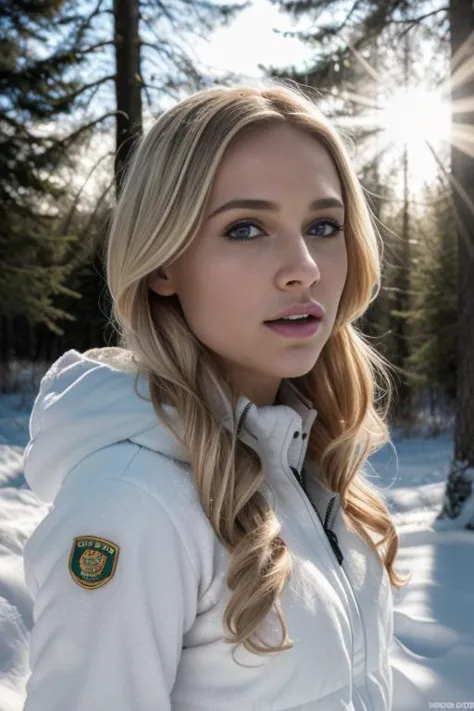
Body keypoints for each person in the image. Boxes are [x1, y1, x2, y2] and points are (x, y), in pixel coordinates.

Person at [22, 79, 410, 711]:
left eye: (323, 224)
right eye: (247, 229)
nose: (305, 266)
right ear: (163, 264)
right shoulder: (132, 501)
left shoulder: (304, 459)